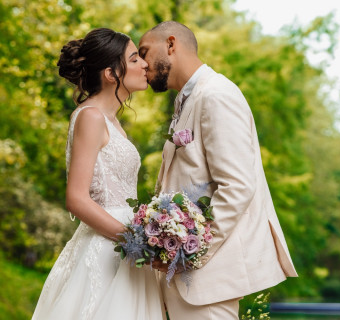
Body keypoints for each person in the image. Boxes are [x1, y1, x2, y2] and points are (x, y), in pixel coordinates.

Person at [138, 21, 298, 319]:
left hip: (208, 280)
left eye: (144, 52)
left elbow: (237, 186)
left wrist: (189, 252)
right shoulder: (187, 100)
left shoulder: (216, 94)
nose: (141, 63)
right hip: (183, 279)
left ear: (171, 45)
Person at [31, 28, 164, 320]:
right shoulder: (90, 117)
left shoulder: (112, 121)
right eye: (134, 59)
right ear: (110, 73)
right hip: (109, 248)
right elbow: (77, 199)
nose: (144, 65)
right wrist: (136, 239)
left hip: (126, 247)